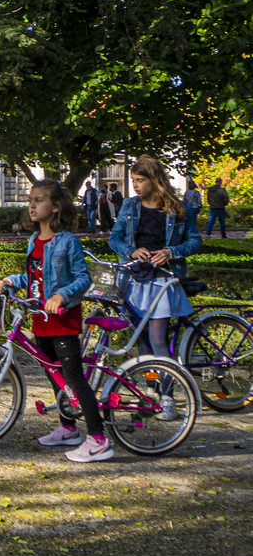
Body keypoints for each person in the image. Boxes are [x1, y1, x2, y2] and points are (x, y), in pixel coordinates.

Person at [0, 180, 108, 462]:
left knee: (73, 378)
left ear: (55, 207)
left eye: (39, 200)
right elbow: (35, 276)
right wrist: (11, 280)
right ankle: (68, 428)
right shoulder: (34, 240)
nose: (32, 205)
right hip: (40, 318)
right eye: (31, 200)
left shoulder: (68, 241)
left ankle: (98, 439)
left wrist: (61, 295)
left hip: (62, 318)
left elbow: (83, 279)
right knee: (53, 374)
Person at [109, 155, 203, 417]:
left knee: (158, 339)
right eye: (133, 181)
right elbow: (114, 240)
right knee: (141, 339)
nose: (135, 186)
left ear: (155, 180)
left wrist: (171, 251)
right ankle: (150, 389)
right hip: (133, 279)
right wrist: (130, 251)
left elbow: (195, 242)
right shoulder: (129, 206)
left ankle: (168, 397)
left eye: (140, 180)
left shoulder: (178, 209)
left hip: (162, 279)